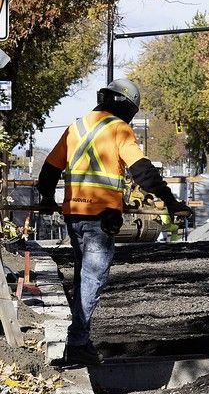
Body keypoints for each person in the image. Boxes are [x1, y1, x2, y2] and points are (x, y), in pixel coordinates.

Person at [36, 78, 192, 366]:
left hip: (74, 215)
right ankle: (78, 342)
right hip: (101, 218)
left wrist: (47, 198)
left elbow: (49, 169)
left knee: (85, 276)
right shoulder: (120, 129)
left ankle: (79, 339)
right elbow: (143, 171)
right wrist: (170, 201)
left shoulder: (76, 127)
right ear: (126, 106)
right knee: (93, 278)